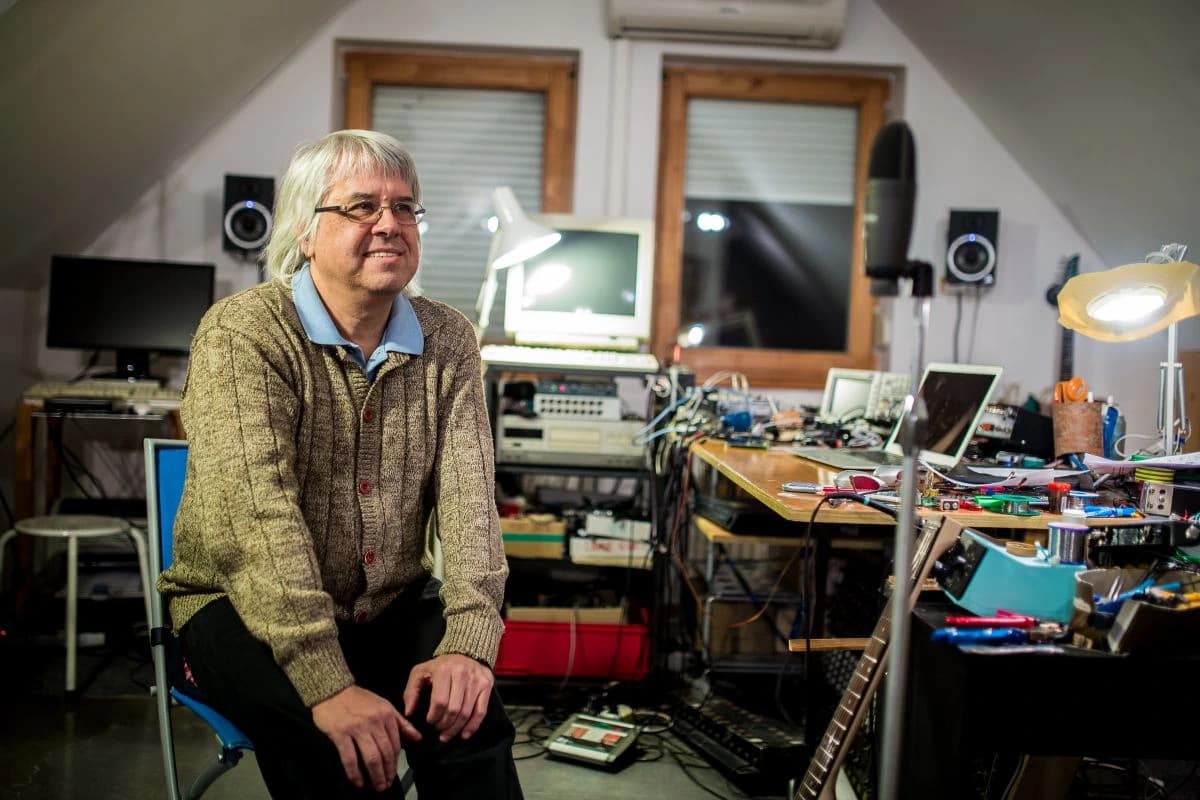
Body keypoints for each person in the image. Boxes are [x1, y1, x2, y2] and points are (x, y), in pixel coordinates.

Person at [158, 129, 522, 799]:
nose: (390, 224)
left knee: (472, 727)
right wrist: (328, 684)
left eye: (405, 208)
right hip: (238, 607)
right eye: (360, 206)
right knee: (345, 758)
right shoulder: (244, 332)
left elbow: (471, 504)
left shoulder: (448, 339)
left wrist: (469, 644)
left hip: (384, 604)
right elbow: (257, 524)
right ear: (304, 231)